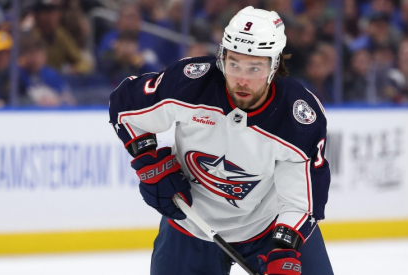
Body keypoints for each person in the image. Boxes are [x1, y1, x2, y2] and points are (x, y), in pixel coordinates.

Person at [109, 6, 333, 275]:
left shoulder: (298, 117)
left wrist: (285, 251)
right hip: (190, 225)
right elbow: (125, 107)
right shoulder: (189, 84)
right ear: (222, 57)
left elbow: (300, 201)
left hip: (268, 228)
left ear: (274, 66)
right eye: (234, 63)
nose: (241, 79)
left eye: (254, 68)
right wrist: (148, 160)